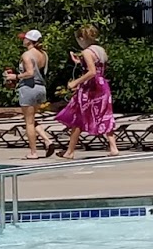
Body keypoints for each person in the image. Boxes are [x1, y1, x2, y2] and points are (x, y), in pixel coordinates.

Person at [55, 24, 118, 158]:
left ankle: (70, 151)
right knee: (105, 114)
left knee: (78, 116)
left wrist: (75, 82)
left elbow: (92, 72)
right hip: (102, 85)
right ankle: (113, 147)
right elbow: (97, 67)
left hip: (91, 88)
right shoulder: (100, 50)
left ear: (82, 38)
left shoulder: (87, 52)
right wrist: (80, 62)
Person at [11, 29, 58, 160]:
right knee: (31, 119)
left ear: (29, 41)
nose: (23, 40)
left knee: (29, 122)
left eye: (25, 38)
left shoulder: (27, 55)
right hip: (41, 88)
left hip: (29, 88)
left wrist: (15, 76)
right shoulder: (43, 54)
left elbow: (30, 73)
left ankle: (33, 152)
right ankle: (47, 140)